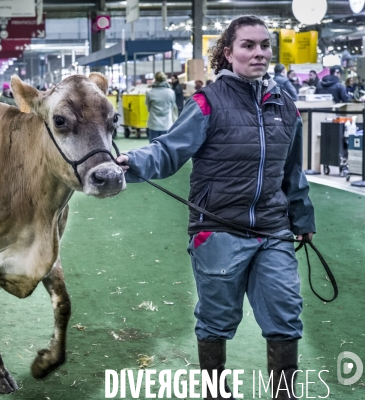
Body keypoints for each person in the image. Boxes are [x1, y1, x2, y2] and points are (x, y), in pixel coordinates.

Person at [116, 15, 315, 400]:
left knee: (285, 313)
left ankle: (283, 394)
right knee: (216, 321)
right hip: (219, 228)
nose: (258, 53)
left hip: (273, 229)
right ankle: (214, 392)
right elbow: (169, 149)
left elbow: (292, 170)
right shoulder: (207, 102)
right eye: (248, 45)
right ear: (229, 52)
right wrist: (131, 162)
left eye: (264, 46)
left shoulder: (285, 106)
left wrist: (302, 217)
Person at [145, 71, 176, 142]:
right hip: (167, 124)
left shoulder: (150, 92)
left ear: (155, 79)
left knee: (153, 148)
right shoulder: (171, 92)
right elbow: (172, 107)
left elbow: (149, 108)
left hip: (153, 124)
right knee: (165, 147)